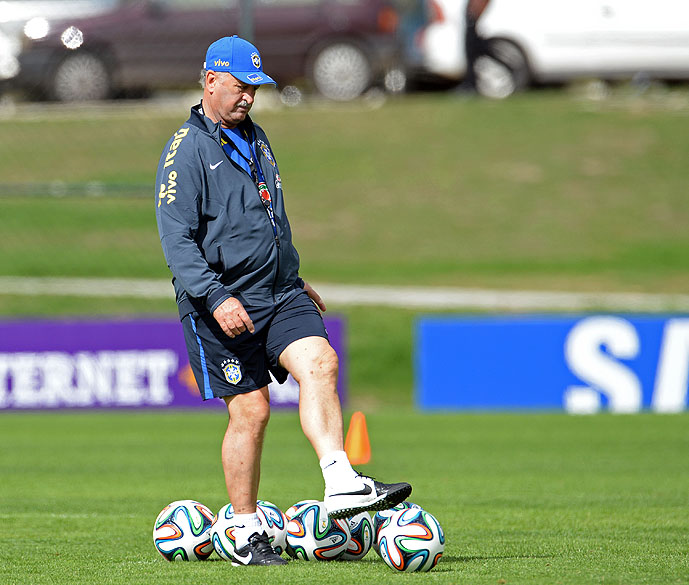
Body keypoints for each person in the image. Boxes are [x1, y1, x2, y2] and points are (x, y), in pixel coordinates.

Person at [154, 36, 412, 567]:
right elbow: (176, 238)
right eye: (240, 86)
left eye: (255, 88)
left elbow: (270, 220)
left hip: (279, 291)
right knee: (251, 412)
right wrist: (214, 295)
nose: (249, 96)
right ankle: (247, 533)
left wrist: (294, 274)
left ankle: (340, 481)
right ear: (211, 81)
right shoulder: (187, 148)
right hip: (220, 302)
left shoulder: (257, 137)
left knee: (320, 361)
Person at [459, 0, 492, 93]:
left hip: (475, 21)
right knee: (471, 53)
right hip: (472, 21)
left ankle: (473, 84)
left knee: (476, 53)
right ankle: (471, 83)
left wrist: (474, 17)